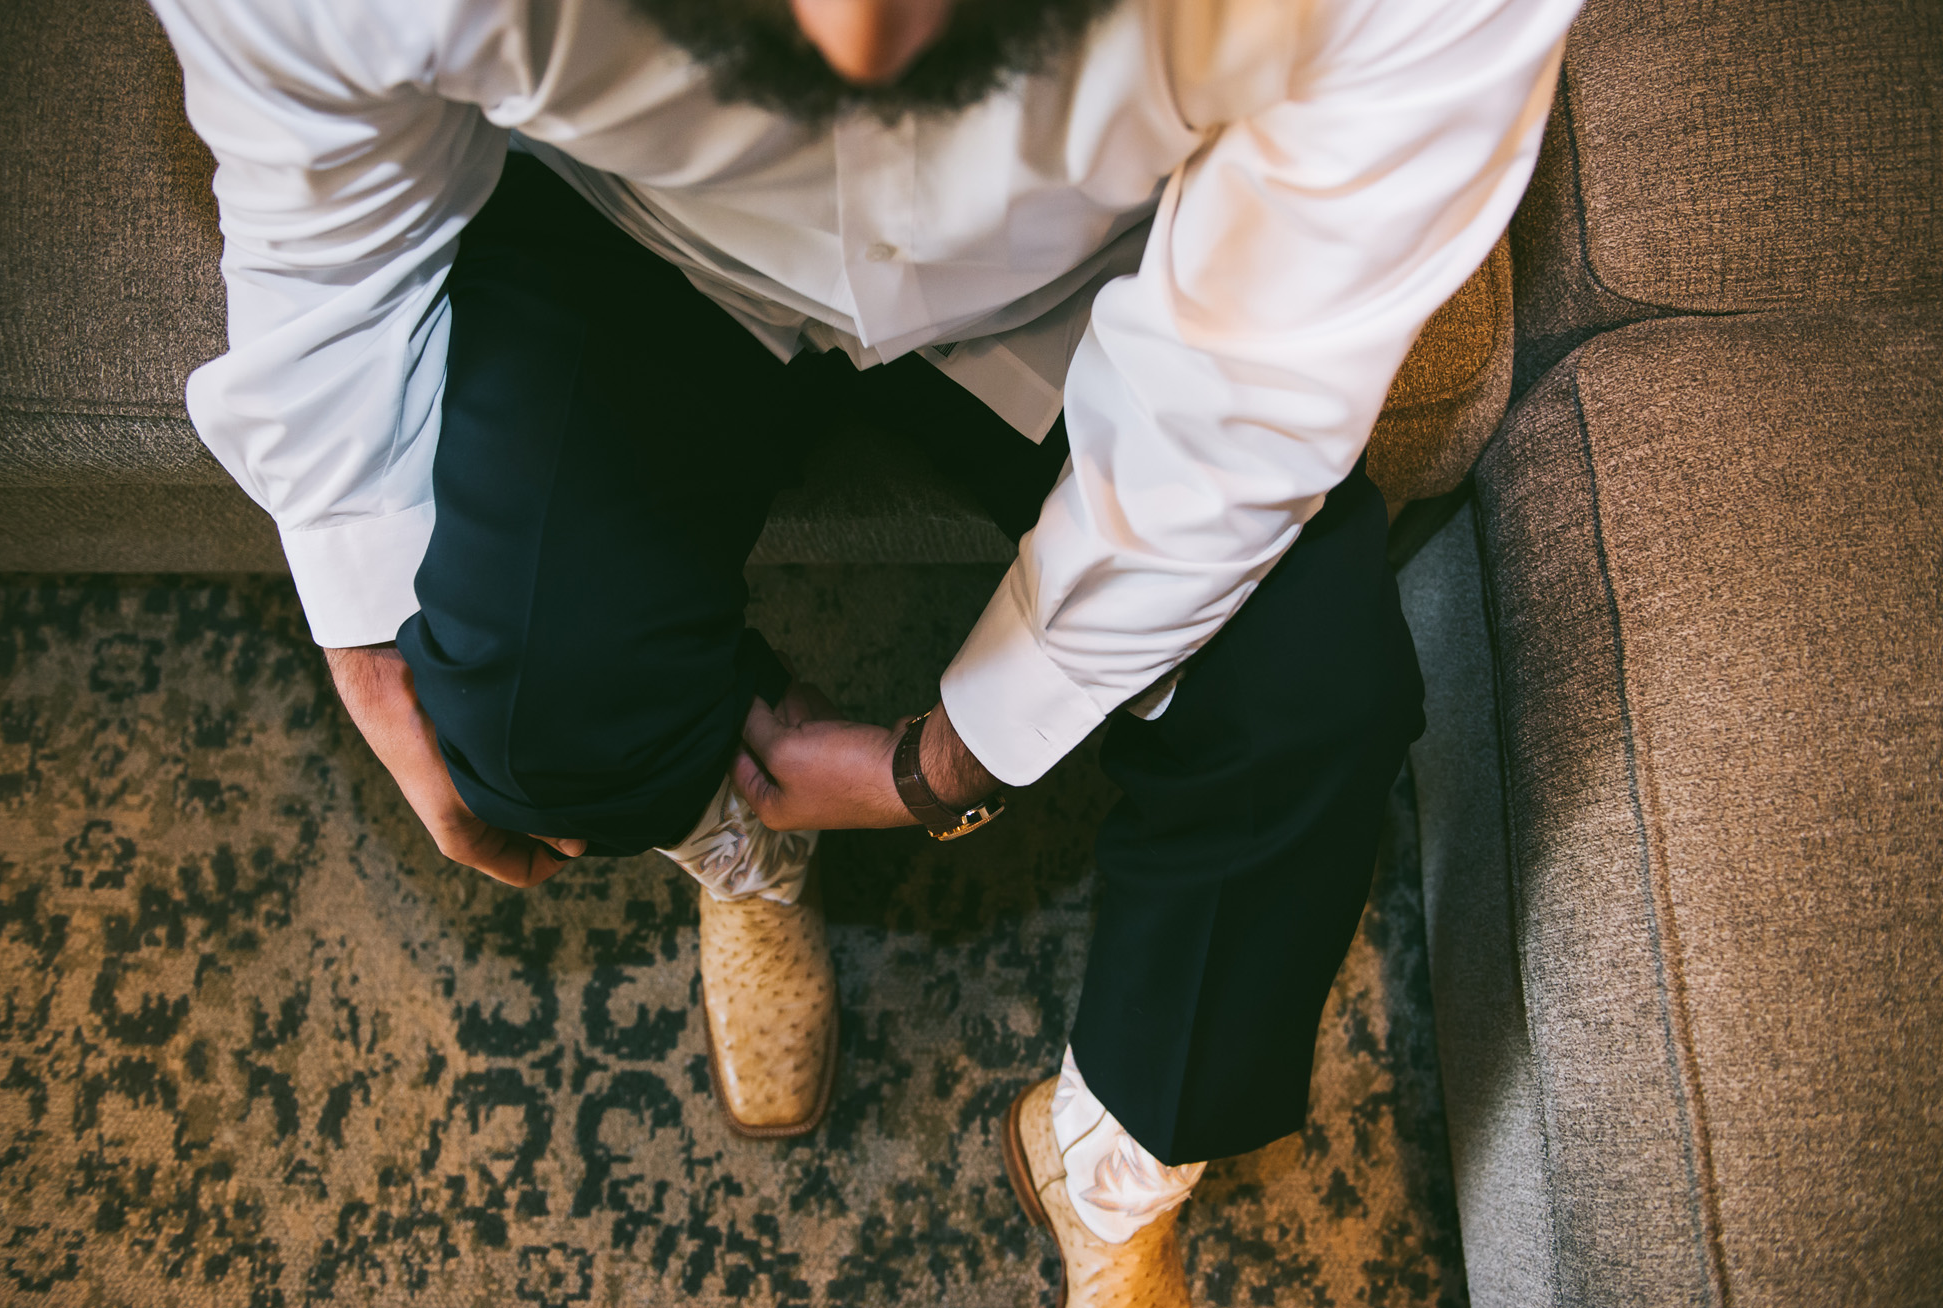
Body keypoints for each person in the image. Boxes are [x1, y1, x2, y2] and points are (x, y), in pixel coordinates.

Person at [151, 0, 1577, 1298]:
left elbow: (1246, 399)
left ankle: (1110, 1157)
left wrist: (943, 762)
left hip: (1108, 264)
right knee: (523, 715)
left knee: (1311, 705)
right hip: (653, 230)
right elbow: (320, 201)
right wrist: (359, 620)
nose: (862, 36)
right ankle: (745, 834)